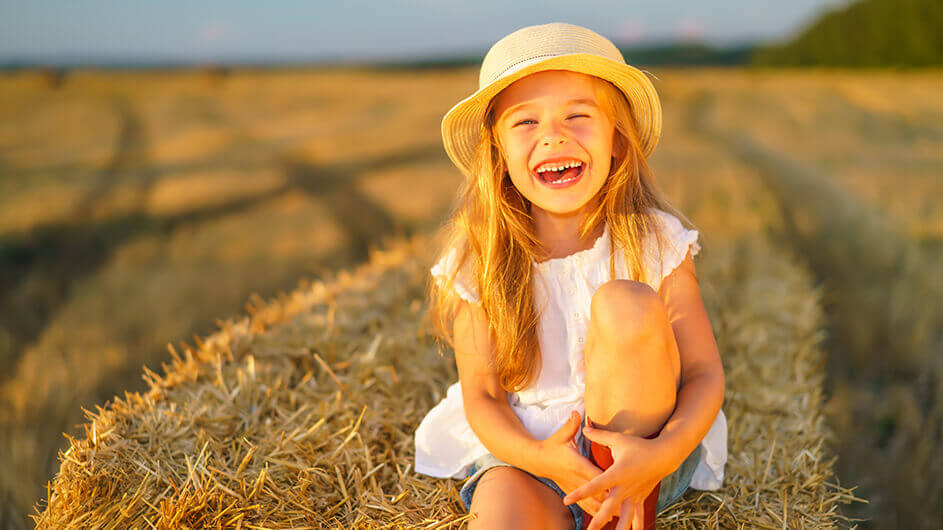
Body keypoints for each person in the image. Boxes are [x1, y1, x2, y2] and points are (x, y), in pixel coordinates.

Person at [414, 22, 727, 530]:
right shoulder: (482, 261)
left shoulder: (654, 240)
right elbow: (484, 397)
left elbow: (704, 374)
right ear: (498, 154)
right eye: (526, 123)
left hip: (641, 455)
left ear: (617, 141)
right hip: (530, 456)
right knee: (500, 516)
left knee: (624, 303)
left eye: (577, 116)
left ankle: (626, 514)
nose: (553, 135)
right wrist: (540, 460)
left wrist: (664, 454)